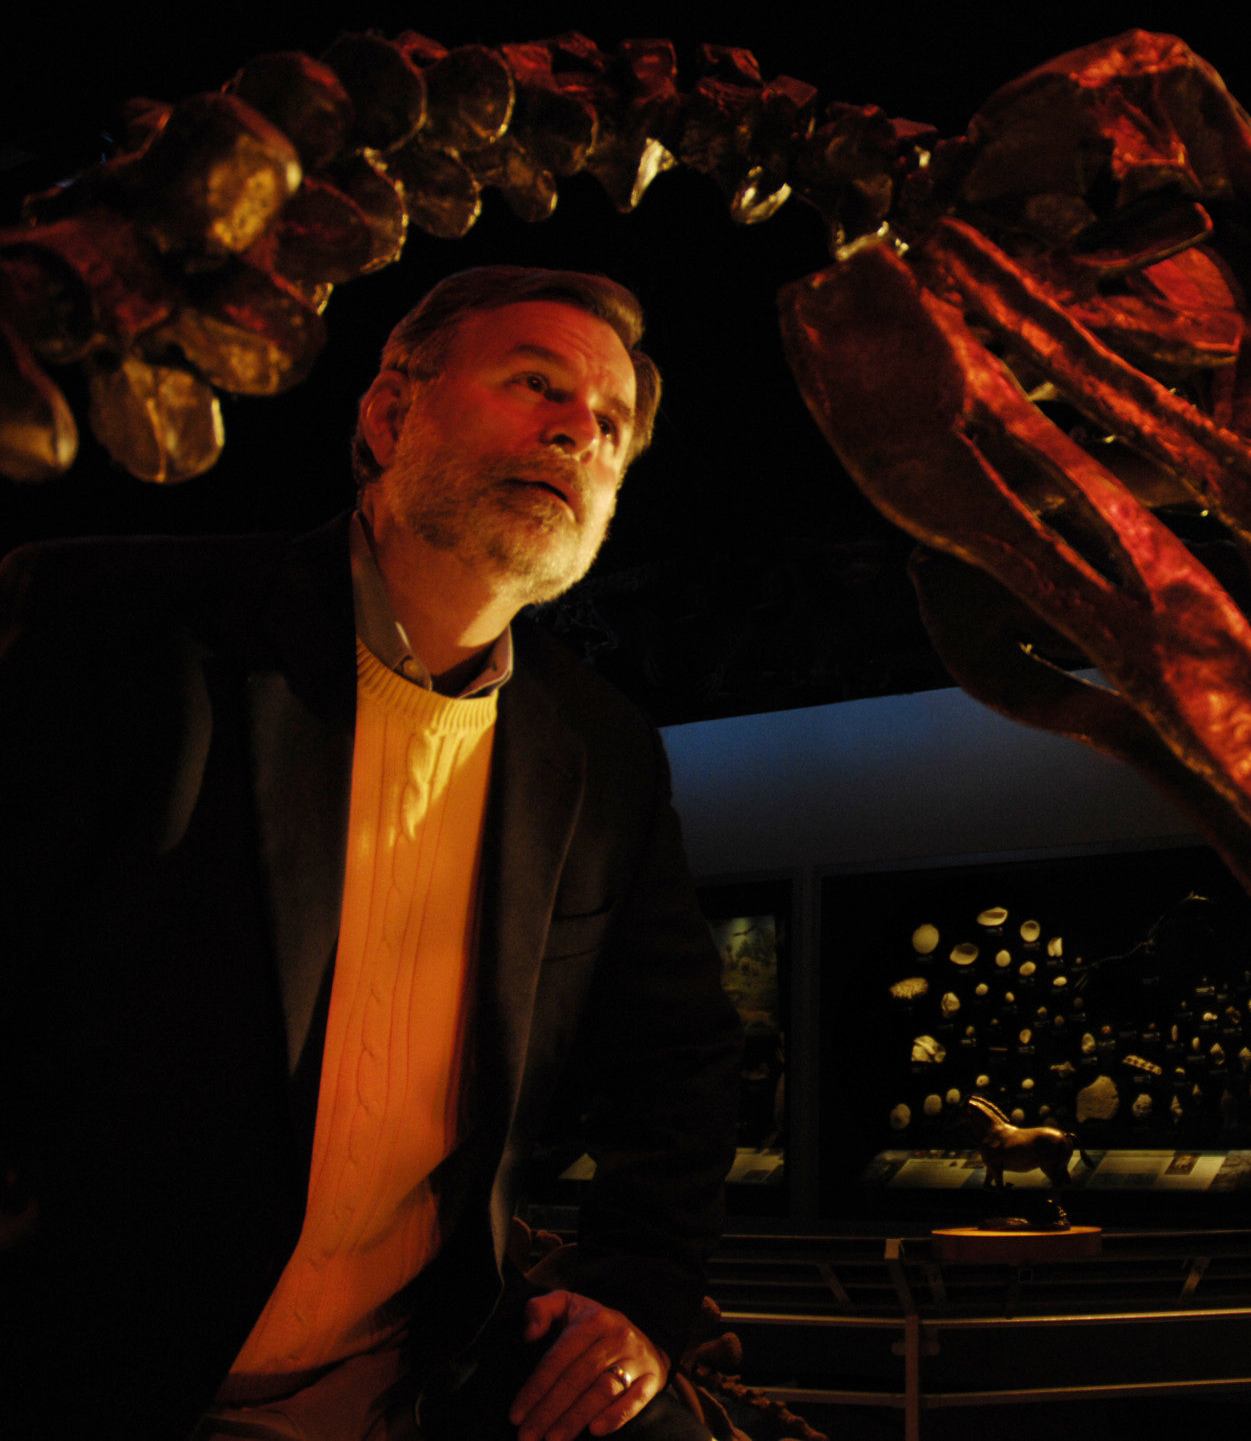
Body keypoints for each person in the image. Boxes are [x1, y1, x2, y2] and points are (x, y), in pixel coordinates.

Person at [0, 267, 743, 1441]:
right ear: (391, 414)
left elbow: (679, 1056)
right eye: (535, 383)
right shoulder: (117, 627)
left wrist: (634, 1291)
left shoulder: (598, 749)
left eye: (609, 427)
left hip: (417, 1375)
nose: (575, 429)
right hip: (86, 1365)